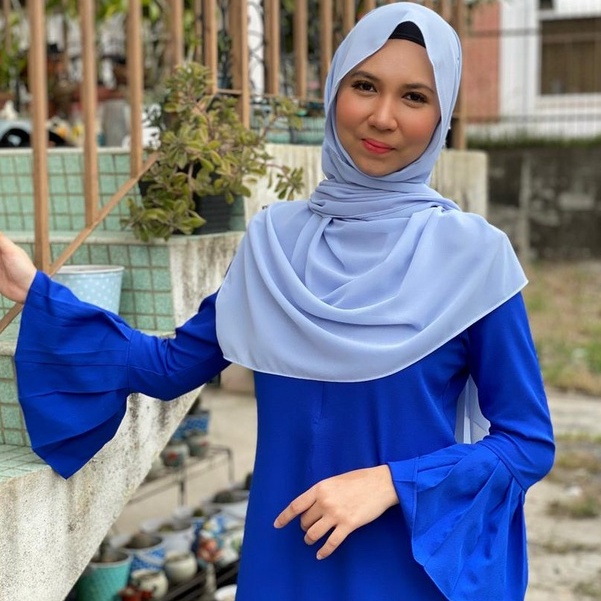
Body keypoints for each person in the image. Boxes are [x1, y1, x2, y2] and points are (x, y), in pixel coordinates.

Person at [0, 3, 554, 600]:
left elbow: (526, 443)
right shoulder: (274, 246)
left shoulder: (474, 259)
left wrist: (393, 483)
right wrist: (36, 291)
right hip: (285, 570)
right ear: (334, 91)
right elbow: (166, 367)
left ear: (442, 116)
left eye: (415, 97)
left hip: (402, 571)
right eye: (365, 86)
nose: (382, 116)